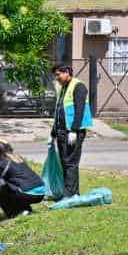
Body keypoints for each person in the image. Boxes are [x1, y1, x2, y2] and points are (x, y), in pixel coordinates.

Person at [51, 64, 93, 198]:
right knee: (65, 161)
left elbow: (79, 110)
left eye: (58, 74)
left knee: (71, 162)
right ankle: (72, 191)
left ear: (67, 72)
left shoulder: (78, 86)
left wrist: (74, 130)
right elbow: (58, 111)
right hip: (62, 131)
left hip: (72, 131)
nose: (56, 78)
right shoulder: (63, 88)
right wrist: (53, 132)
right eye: (55, 75)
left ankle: (69, 194)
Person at [0, 142, 46, 218]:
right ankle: (25, 210)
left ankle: (12, 214)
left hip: (29, 193)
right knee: (12, 188)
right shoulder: (18, 158)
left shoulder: (2, 163)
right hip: (41, 193)